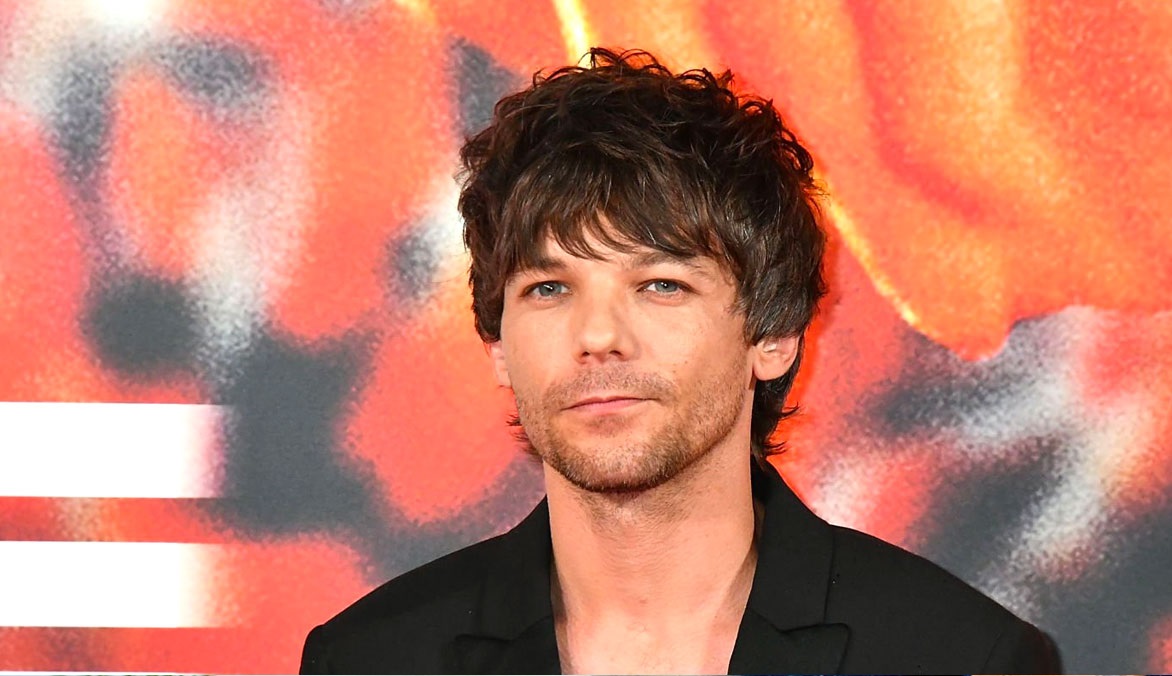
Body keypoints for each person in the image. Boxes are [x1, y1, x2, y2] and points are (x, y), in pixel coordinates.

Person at [299, 48, 1061, 674]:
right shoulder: (370, 661)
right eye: (549, 289)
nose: (599, 334)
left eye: (660, 285)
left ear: (773, 335)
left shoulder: (960, 658)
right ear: (499, 346)